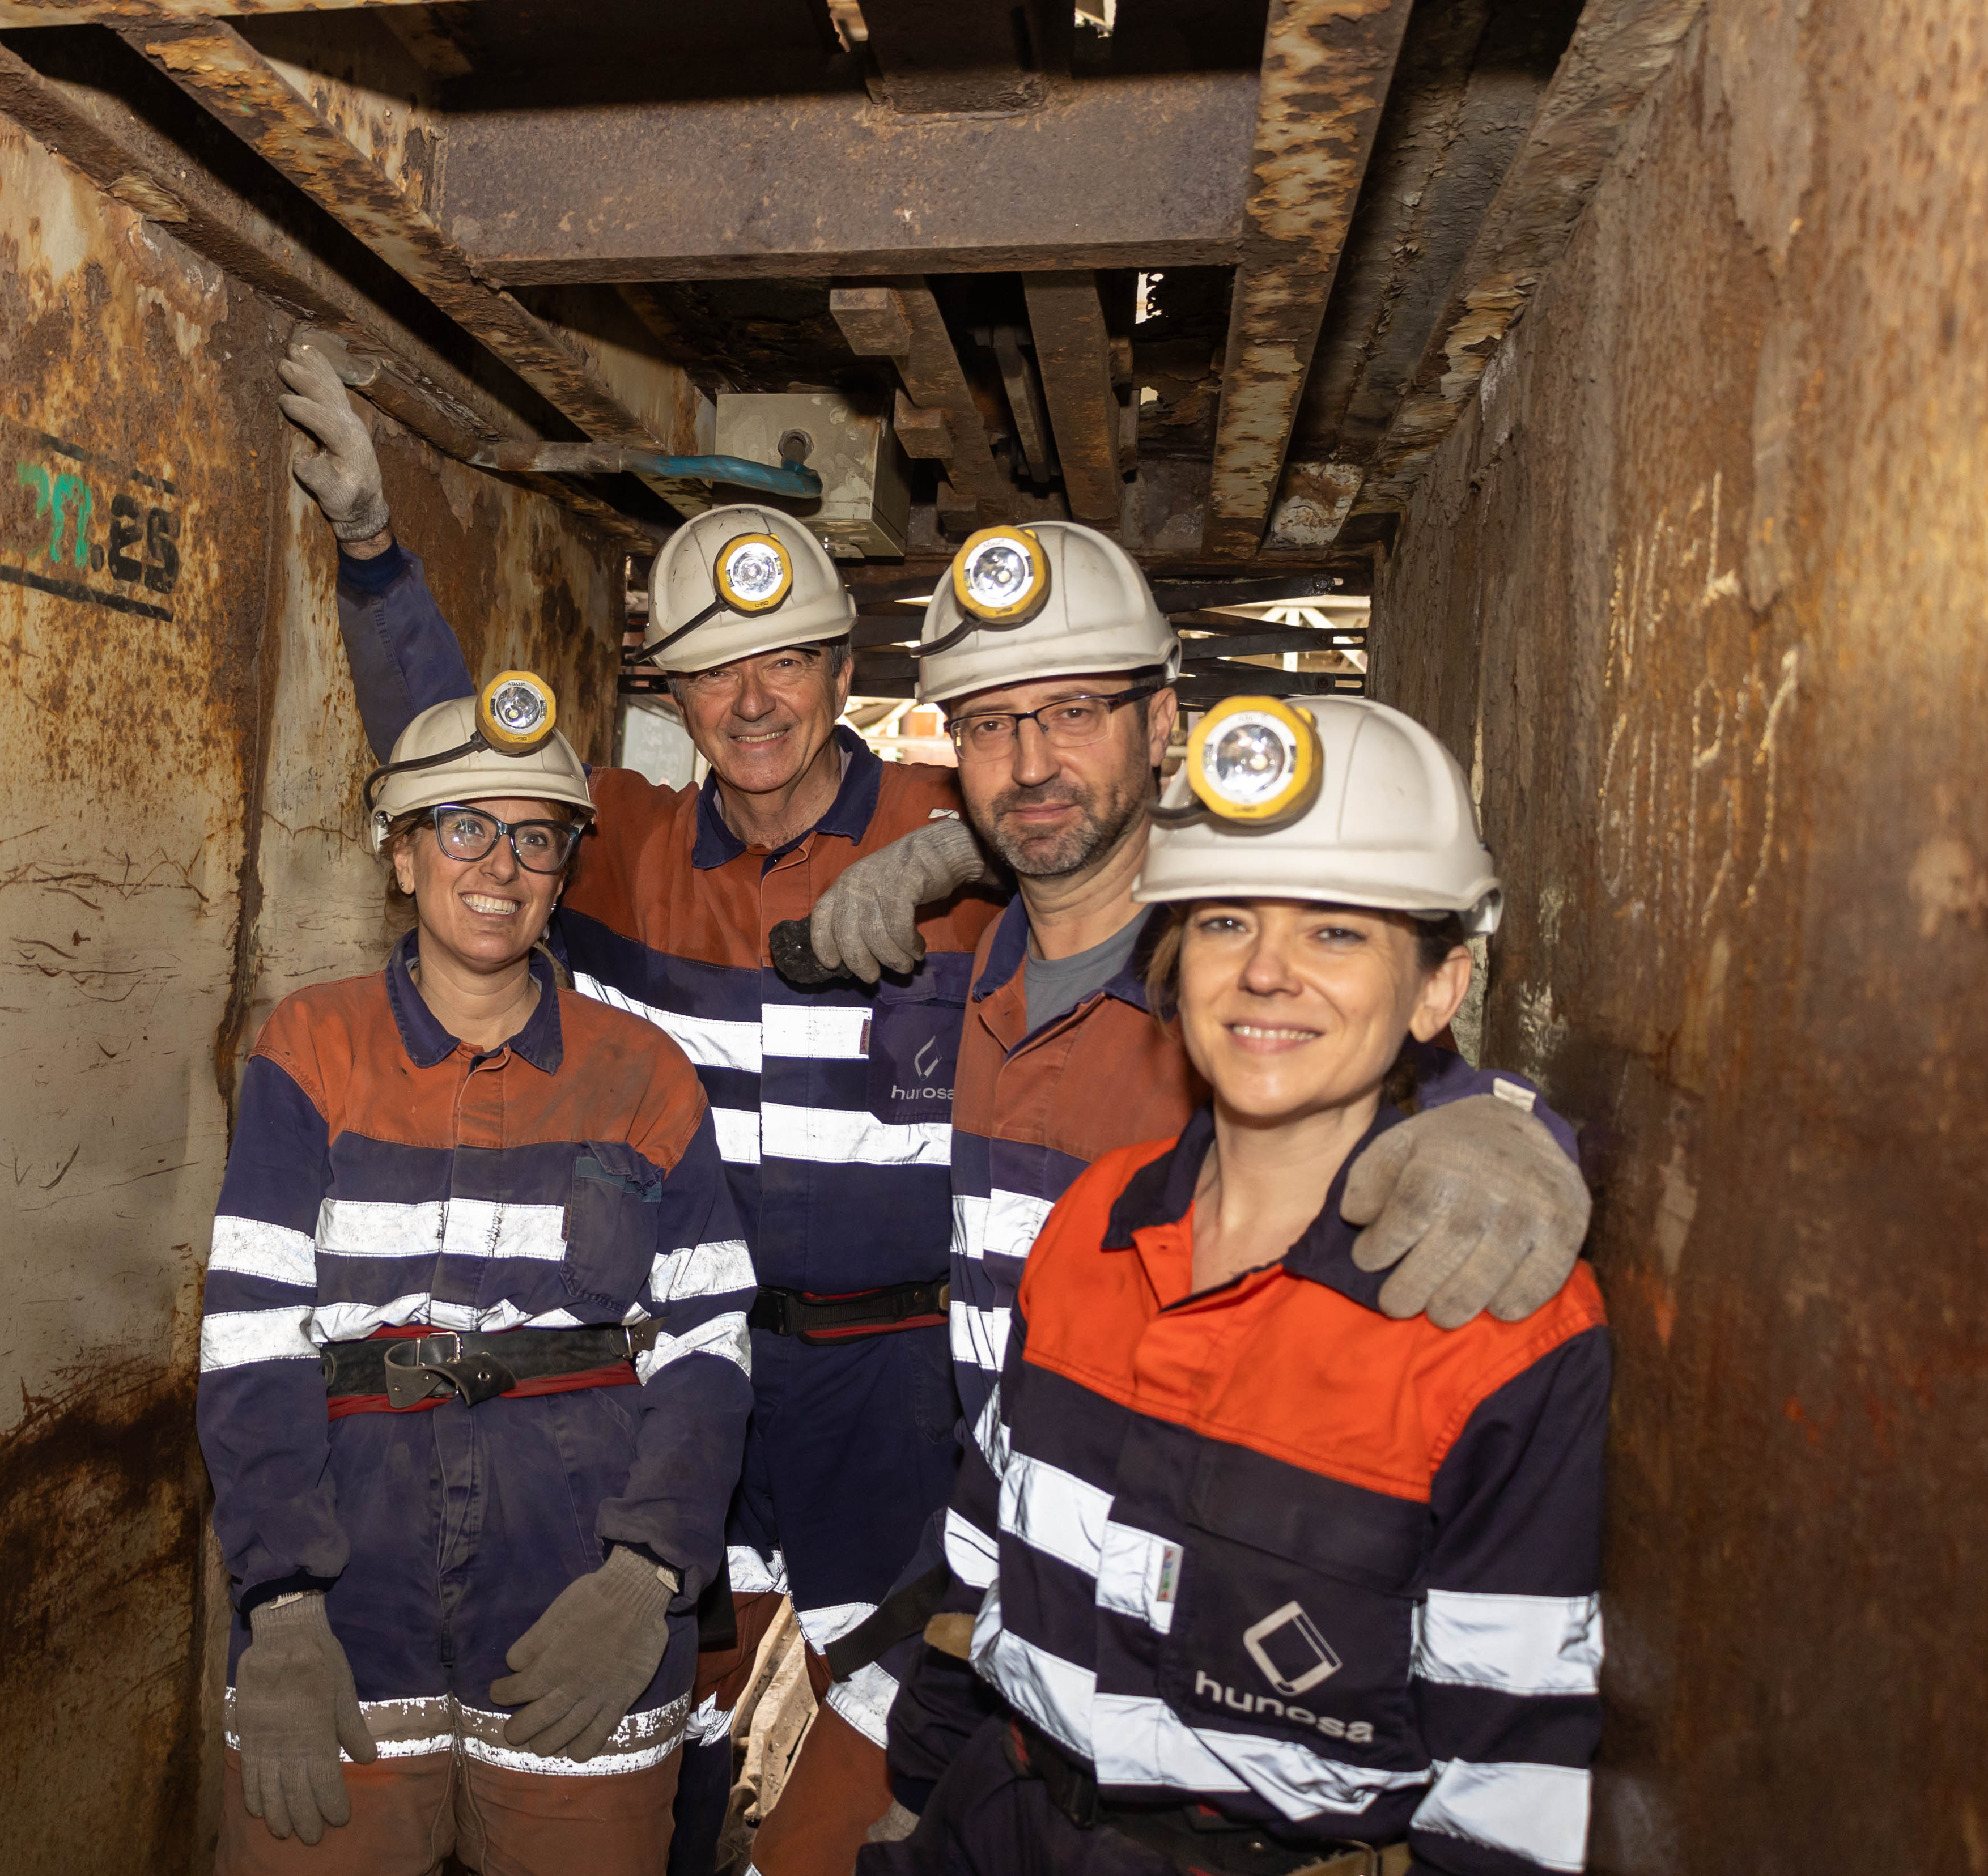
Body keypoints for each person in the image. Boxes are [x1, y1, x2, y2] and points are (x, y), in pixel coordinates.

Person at [276, 344, 1585, 1876]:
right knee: (674, 1719)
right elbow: (472, 793)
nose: (754, 699)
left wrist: (1502, 1114)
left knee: (885, 1716)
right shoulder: (617, 854)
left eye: (790, 662)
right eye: (712, 667)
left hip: (913, 1386)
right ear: (671, 694)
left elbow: (1278, 979)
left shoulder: (966, 849)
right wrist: (376, 559)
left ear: (849, 673)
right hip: (691, 1374)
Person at [804, 526, 1591, 1848]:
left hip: (1232, 1662)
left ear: (1163, 723)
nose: (1034, 759)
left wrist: (1510, 1117)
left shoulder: (1222, 1018)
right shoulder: (970, 967)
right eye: (992, 725)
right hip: (1019, 1599)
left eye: (1072, 712)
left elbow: (1359, 1062)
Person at [197, 683, 757, 1874]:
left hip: (574, 1591)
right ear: (402, 856)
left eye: (536, 837)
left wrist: (649, 1570)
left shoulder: (643, 1075)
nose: (499, 864)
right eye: (463, 828)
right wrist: (283, 1599)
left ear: (562, 874)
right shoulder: (312, 1051)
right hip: (352, 1589)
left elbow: (710, 1344)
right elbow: (251, 1342)